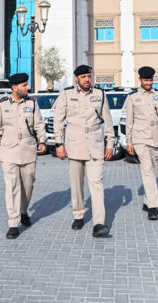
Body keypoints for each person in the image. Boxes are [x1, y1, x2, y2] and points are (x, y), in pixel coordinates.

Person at [53, 64, 114, 238]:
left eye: (89, 76)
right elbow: (58, 122)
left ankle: (99, 223)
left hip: (95, 145)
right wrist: (59, 144)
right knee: (77, 185)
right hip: (74, 145)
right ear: (76, 79)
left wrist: (110, 143)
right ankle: (78, 215)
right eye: (83, 77)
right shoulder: (66, 95)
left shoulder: (100, 94)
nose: (87, 79)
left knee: (97, 184)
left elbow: (108, 121)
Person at [0, 73, 47, 239]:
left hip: (28, 151)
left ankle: (23, 211)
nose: (28, 88)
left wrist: (42, 141)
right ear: (14, 88)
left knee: (27, 186)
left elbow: (39, 125)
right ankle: (13, 223)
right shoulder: (1, 105)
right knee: (12, 187)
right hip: (9, 152)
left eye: (27, 84)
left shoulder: (32, 103)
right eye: (24, 85)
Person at [123, 66, 158, 220]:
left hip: (157, 137)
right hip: (140, 139)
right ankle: (153, 206)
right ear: (140, 80)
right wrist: (129, 141)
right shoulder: (132, 97)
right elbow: (129, 121)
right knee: (147, 170)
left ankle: (147, 200)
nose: (149, 83)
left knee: (153, 170)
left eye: (151, 80)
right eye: (146, 80)